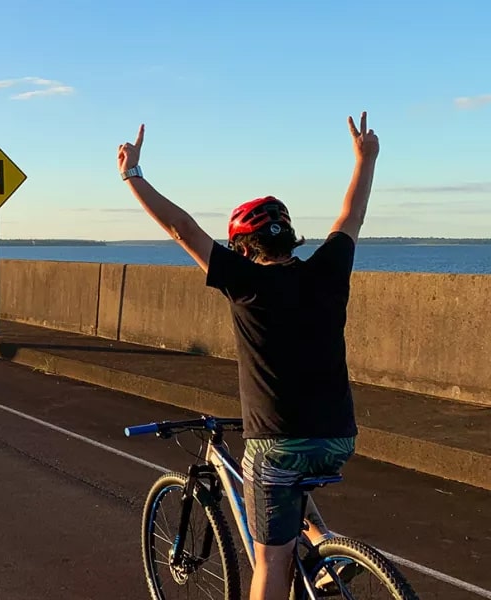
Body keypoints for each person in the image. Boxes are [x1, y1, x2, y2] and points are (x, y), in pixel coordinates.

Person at [118, 112, 380, 600]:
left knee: (271, 559)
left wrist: (132, 174)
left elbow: (181, 228)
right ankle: (325, 547)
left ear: (242, 248)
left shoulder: (247, 283)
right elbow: (351, 215)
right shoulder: (328, 269)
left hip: (276, 440)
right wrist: (366, 159)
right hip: (339, 435)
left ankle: (309, 557)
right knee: (291, 483)